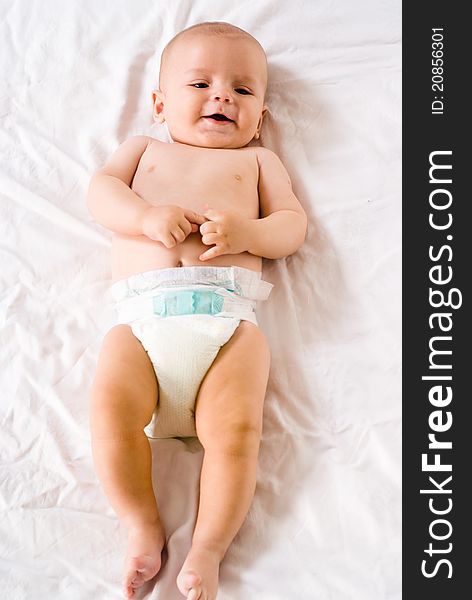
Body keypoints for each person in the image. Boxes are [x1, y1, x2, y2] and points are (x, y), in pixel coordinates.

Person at [87, 21, 307, 600]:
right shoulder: (144, 151)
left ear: (259, 116)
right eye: (201, 83)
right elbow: (101, 192)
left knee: (237, 435)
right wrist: (143, 218)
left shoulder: (258, 163)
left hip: (227, 326)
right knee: (110, 416)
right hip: (141, 324)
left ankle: (207, 548)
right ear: (160, 103)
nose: (222, 96)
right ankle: (140, 525)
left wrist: (250, 231)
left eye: (242, 90)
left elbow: (290, 227)